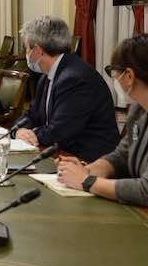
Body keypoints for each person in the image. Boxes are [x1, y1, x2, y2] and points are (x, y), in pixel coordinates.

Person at [57, 34, 148, 207]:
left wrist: (87, 182)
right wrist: (87, 170)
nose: (114, 78)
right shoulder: (139, 110)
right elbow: (122, 155)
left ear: (129, 76)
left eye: (114, 72)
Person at [14, 16, 118, 162]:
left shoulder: (75, 78)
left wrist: (33, 134)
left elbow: (60, 132)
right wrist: (19, 130)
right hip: (63, 152)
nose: (25, 53)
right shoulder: (47, 76)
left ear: (37, 50)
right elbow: (32, 114)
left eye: (26, 48)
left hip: (89, 160)